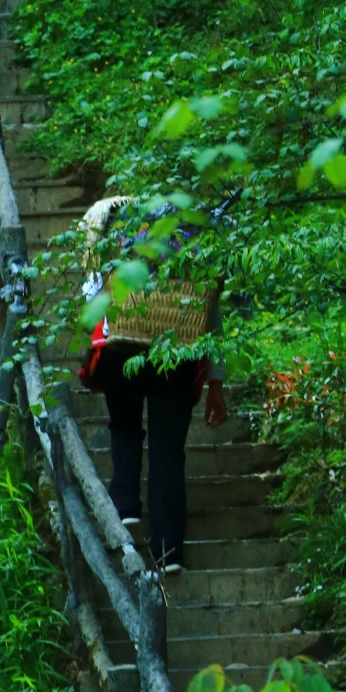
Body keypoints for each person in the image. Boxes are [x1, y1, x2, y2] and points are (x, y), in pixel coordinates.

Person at [78, 196, 227, 573]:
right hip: (178, 350)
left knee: (125, 425)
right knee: (167, 451)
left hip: (122, 346)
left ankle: (126, 504)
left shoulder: (116, 234)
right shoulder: (194, 246)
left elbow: (92, 295)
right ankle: (168, 551)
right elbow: (211, 315)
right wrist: (216, 385)